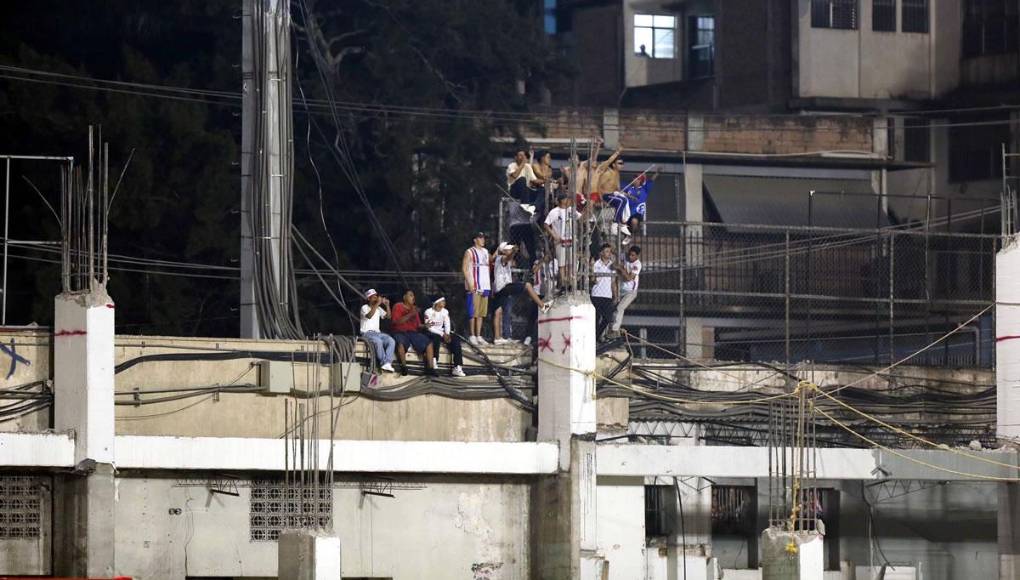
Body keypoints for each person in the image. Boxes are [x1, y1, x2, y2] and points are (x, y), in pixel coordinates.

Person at [492, 242, 551, 343]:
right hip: (504, 287)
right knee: (527, 286)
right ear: (504, 251)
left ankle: (497, 338)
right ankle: (543, 306)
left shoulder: (501, 260)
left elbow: (510, 261)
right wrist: (513, 252)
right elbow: (507, 258)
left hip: (499, 289)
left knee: (498, 311)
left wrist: (513, 253)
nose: (511, 250)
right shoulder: (501, 258)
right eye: (509, 249)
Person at [389, 289, 438, 376]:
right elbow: (397, 322)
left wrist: (425, 325)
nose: (413, 297)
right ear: (404, 297)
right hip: (400, 331)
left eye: (413, 295)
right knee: (400, 343)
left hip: (412, 333)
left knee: (429, 343)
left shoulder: (414, 308)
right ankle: (404, 367)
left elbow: (418, 325)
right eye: (411, 295)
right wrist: (411, 314)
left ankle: (430, 368)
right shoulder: (398, 306)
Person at [544, 193, 582, 286]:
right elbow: (546, 224)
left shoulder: (571, 210)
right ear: (562, 200)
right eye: (567, 199)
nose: (569, 201)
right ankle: (563, 282)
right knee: (562, 263)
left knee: (571, 262)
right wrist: (554, 236)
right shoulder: (554, 212)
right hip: (561, 241)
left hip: (571, 240)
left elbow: (581, 218)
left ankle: (570, 281)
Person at [462, 231, 492, 345]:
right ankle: (472, 335)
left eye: (483, 238)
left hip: (485, 285)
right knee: (472, 312)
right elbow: (464, 268)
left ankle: (479, 335)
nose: (483, 240)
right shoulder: (470, 252)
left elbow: (490, 263)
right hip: (474, 285)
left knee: (481, 313)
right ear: (475, 239)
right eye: (480, 238)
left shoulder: (485, 251)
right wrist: (470, 284)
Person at [424, 297, 466, 377]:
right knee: (435, 338)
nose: (444, 302)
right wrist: (442, 334)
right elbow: (429, 328)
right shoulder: (428, 312)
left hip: (442, 332)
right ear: (437, 303)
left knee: (456, 341)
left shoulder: (445, 311)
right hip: (432, 332)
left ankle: (457, 367)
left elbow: (447, 324)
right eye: (442, 301)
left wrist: (447, 334)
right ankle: (434, 361)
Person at [359, 289, 396, 373]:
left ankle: (387, 363)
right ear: (368, 299)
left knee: (391, 340)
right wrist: (378, 303)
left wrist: (387, 305)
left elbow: (388, 317)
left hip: (377, 333)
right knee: (378, 341)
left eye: (376, 296)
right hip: (366, 333)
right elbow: (369, 316)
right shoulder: (364, 307)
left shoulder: (378, 308)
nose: (376, 298)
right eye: (374, 297)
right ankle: (384, 362)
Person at [610, 245, 642, 337]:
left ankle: (614, 330)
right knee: (612, 308)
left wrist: (620, 268)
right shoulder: (624, 256)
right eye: (630, 255)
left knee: (620, 308)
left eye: (633, 255)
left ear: (637, 256)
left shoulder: (637, 265)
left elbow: (628, 278)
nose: (630, 257)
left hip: (630, 292)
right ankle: (608, 328)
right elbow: (615, 252)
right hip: (620, 289)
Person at [591, 243, 616, 340]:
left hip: (607, 295)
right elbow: (593, 279)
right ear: (601, 253)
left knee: (607, 318)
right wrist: (593, 277)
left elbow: (613, 282)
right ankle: (595, 338)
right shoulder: (596, 264)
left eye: (610, 251)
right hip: (596, 294)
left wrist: (615, 294)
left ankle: (597, 336)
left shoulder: (612, 265)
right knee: (596, 318)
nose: (609, 253)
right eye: (607, 251)